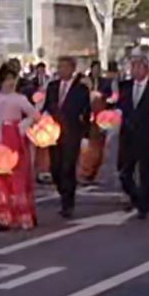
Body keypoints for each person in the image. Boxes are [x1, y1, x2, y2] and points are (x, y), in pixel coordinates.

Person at [0, 65, 39, 231]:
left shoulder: (20, 98)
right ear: (0, 81)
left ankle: (18, 214)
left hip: (14, 139)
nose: (10, 83)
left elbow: (34, 115)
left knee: (16, 176)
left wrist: (23, 125)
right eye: (7, 79)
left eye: (13, 79)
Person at [42, 56, 91, 219]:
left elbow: (86, 113)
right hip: (54, 133)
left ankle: (68, 203)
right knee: (55, 168)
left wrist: (85, 134)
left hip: (72, 132)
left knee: (67, 167)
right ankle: (63, 191)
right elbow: (47, 107)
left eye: (65, 67)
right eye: (60, 67)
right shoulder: (52, 87)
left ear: (72, 69)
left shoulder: (81, 89)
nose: (61, 70)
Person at [118, 54, 149, 219]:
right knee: (125, 172)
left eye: (139, 67)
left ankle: (144, 205)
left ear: (146, 69)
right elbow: (121, 106)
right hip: (128, 135)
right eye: (133, 67)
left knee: (146, 173)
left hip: (148, 135)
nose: (135, 70)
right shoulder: (125, 87)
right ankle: (136, 197)